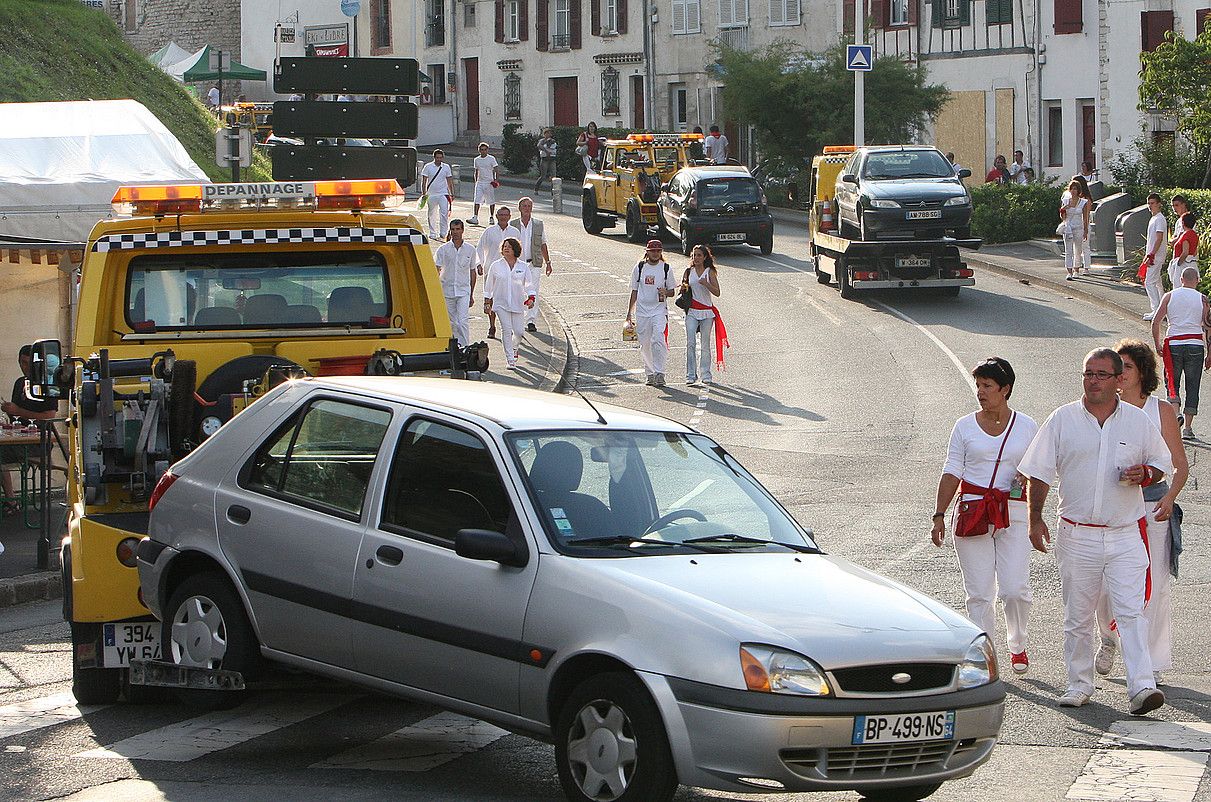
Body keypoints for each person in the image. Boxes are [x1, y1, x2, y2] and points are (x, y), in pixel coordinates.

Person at [1019, 348, 1172, 715]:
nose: (1093, 380)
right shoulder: (1062, 419)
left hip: (1124, 534)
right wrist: (1034, 518)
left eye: (1101, 374)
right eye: (1088, 373)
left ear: (1119, 380)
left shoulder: (1136, 422)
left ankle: (1142, 686)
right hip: (1077, 534)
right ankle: (1079, 683)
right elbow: (1038, 471)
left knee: (1132, 611)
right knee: (1078, 614)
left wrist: (1145, 475)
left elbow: (1161, 465)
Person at [932, 358, 1038, 674]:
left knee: (1014, 589)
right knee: (979, 593)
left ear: (1005, 389)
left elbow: (1039, 467)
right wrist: (938, 514)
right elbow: (952, 470)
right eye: (978, 385)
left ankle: (1017, 644)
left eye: (987, 386)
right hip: (973, 511)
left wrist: (1027, 479)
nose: (980, 392)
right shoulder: (964, 426)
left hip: (1013, 511)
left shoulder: (1027, 425)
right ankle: (985, 655)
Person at [1093, 340, 1188, 686]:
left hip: (1153, 508)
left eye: (1127, 368)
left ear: (1142, 373)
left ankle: (1151, 660)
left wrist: (1170, 499)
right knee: (1103, 586)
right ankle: (1108, 636)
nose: (1119, 375)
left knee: (1156, 587)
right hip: (1113, 511)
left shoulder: (1159, 412)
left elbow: (1180, 466)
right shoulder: (1104, 407)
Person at [1152, 265, 1211, 440]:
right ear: (1198, 281)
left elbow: (1155, 322)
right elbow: (1208, 328)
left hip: (1173, 344)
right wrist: (1210, 354)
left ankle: (1175, 412)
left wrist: (1157, 344)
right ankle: (1188, 428)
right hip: (1195, 344)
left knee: (1172, 381)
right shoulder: (1203, 299)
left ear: (1181, 280)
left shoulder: (1169, 296)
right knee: (1193, 385)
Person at [1, 345, 59, 515]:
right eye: (21, 363)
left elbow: (49, 416)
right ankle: (11, 500)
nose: (24, 367)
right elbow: (15, 414)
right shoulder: (20, 383)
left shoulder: (47, 384)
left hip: (37, 443)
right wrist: (9, 412)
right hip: (18, 438)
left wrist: (17, 411)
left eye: (27, 363)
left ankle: (11, 501)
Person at [626, 240, 678, 387]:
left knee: (658, 339)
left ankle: (660, 373)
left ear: (661, 252)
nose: (655, 253)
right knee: (645, 343)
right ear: (647, 251)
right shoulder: (640, 267)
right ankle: (650, 373)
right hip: (642, 311)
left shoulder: (666, 268)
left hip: (659, 310)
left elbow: (672, 292)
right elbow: (634, 291)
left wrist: (665, 292)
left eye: (658, 251)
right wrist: (629, 313)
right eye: (653, 251)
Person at [482, 237, 535, 370]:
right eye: (504, 246)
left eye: (509, 247)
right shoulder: (496, 265)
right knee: (506, 329)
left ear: (515, 250)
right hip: (500, 303)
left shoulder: (523, 267)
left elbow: (528, 284)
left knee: (518, 332)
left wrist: (531, 297)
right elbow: (489, 286)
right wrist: (487, 301)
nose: (506, 248)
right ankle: (510, 359)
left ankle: (514, 348)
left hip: (517, 303)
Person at [682, 244, 727, 385]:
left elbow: (717, 292)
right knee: (690, 343)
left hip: (707, 313)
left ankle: (706, 374)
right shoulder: (689, 272)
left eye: (699, 255)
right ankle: (690, 375)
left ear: (705, 257)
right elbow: (683, 290)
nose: (696, 258)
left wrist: (706, 284)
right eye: (694, 255)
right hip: (692, 312)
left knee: (705, 344)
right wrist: (683, 288)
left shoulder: (710, 272)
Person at [509, 197, 552, 333]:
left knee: (533, 292)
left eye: (529, 206)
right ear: (519, 208)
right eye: (524, 206)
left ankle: (531, 320)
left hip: (533, 263)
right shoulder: (513, 224)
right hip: (517, 264)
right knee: (517, 292)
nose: (527, 208)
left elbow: (543, 243)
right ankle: (518, 320)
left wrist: (548, 262)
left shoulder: (538, 224)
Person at [434, 219, 479, 347]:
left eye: (458, 229)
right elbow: (437, 269)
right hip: (447, 290)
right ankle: (455, 347)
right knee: (452, 322)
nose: (455, 232)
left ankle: (465, 347)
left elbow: (472, 272)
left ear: (463, 230)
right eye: (453, 229)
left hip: (463, 290)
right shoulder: (443, 249)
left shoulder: (470, 249)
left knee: (462, 321)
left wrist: (471, 294)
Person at [476, 206, 513, 339]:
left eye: (506, 215)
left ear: (509, 217)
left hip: (509, 272)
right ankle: (492, 325)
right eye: (501, 215)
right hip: (491, 270)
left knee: (508, 298)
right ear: (496, 216)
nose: (503, 217)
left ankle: (507, 326)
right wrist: (479, 264)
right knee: (490, 299)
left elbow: (520, 252)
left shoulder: (515, 232)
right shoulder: (489, 232)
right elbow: (479, 248)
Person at [1142, 193, 1169, 322]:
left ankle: (1157, 309)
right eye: (1149, 203)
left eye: (1152, 203)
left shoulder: (1159, 219)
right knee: (1157, 282)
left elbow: (1159, 238)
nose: (1150, 206)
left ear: (1159, 204)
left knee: (1150, 282)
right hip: (1153, 255)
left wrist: (1152, 254)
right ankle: (1162, 309)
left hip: (1156, 256)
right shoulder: (1154, 218)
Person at [419, 149, 455, 242]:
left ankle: (443, 232)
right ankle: (432, 233)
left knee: (444, 213)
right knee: (431, 213)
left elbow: (449, 181)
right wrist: (424, 193)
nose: (439, 159)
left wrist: (452, 193)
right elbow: (424, 180)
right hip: (431, 194)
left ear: (442, 158)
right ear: (434, 157)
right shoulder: (428, 166)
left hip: (443, 193)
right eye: (437, 157)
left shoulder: (446, 167)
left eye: (440, 157)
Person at [1060, 178, 1091, 281]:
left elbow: (1085, 217)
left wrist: (1086, 230)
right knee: (1068, 250)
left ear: (1078, 191)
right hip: (1068, 226)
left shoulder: (1083, 202)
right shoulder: (1065, 201)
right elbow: (1062, 216)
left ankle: (1076, 269)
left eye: (1075, 189)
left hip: (1079, 227)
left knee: (1078, 249)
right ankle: (1069, 271)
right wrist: (1065, 208)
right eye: (1072, 189)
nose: (1073, 191)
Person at [470, 142, 499, 226]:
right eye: (481, 150)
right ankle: (475, 217)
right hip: (480, 182)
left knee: (491, 200)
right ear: (479, 150)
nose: (483, 151)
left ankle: (491, 217)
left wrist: (496, 180)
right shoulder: (477, 160)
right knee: (477, 199)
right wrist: (476, 181)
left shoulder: (491, 159)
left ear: (487, 150)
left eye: (485, 150)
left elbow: (496, 170)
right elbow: (476, 171)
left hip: (489, 182)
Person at [1168, 212, 1199, 290]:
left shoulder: (1185, 235)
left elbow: (1185, 252)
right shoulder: (1195, 235)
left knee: (1178, 287)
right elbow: (1195, 252)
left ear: (1182, 223)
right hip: (1192, 263)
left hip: (1183, 264)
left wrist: (1178, 263)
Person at [534, 128, 558, 193]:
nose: (549, 135)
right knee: (543, 176)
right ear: (544, 134)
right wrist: (546, 151)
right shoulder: (542, 140)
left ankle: (553, 191)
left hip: (552, 159)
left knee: (553, 175)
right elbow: (539, 145)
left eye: (550, 133)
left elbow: (554, 147)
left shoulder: (552, 140)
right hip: (545, 159)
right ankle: (536, 188)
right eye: (547, 133)